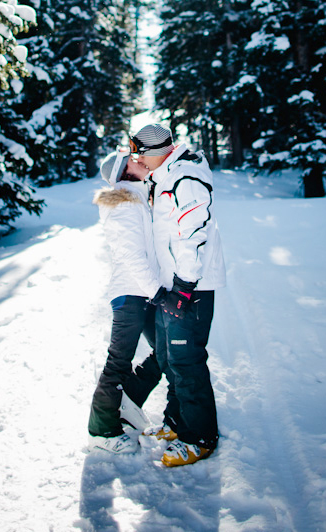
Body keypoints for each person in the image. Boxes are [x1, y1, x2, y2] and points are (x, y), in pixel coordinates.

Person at [130, 123, 226, 467]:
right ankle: (177, 420)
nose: (135, 159)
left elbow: (194, 232)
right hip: (172, 285)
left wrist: (184, 286)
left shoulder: (186, 177)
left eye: (138, 152)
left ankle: (200, 437)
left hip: (192, 287)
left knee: (187, 361)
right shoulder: (163, 177)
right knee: (169, 357)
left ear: (155, 151)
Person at [87, 147, 164, 455]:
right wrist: (157, 291)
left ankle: (128, 402)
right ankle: (101, 431)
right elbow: (132, 255)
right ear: (125, 171)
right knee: (118, 360)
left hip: (142, 292)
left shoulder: (137, 200)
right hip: (131, 294)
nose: (141, 160)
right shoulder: (124, 204)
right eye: (134, 159)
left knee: (166, 351)